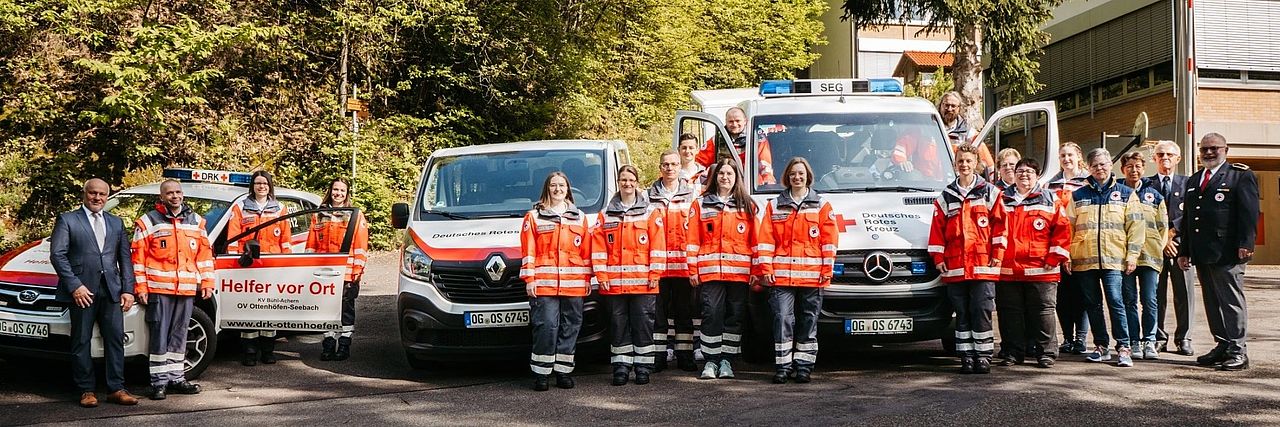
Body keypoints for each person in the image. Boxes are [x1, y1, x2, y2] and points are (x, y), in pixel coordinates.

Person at [49, 178, 140, 408]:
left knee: (115, 340)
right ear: (84, 193)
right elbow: (57, 255)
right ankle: (86, 390)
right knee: (81, 340)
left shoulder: (116, 222)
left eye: (102, 194)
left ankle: (116, 388)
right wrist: (74, 286)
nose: (97, 198)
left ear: (107, 196)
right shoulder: (67, 219)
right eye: (93, 193)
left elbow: (124, 259)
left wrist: (128, 289)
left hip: (111, 290)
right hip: (82, 291)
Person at [1178, 132, 1258, 371]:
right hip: (1203, 253)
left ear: (1226, 149)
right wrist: (1185, 250)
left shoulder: (1240, 176)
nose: (1209, 153)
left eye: (1214, 148)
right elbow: (1190, 220)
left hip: (1228, 252)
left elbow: (1249, 213)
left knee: (1231, 301)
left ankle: (1238, 350)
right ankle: (1222, 344)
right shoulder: (1194, 180)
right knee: (1212, 301)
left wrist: (1247, 244)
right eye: (1204, 149)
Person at [132, 179, 214, 400]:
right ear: (162, 197)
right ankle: (158, 383)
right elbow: (137, 259)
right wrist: (140, 287)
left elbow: (205, 257)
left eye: (178, 192)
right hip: (159, 290)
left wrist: (207, 282)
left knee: (180, 335)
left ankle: (176, 378)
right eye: (169, 193)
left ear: (182, 194)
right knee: (159, 335)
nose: (174, 196)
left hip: (186, 290)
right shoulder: (148, 222)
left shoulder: (196, 221)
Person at [758, 157, 838, 383]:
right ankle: (783, 366)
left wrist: (827, 270)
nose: (797, 177)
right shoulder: (774, 205)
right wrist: (766, 267)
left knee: (808, 321)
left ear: (808, 176)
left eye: (801, 173)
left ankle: (804, 366)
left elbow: (829, 242)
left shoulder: (822, 206)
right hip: (782, 277)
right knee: (782, 319)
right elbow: (766, 240)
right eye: (793, 173)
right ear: (787, 177)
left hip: (813, 277)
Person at [927, 145, 1004, 374]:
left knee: (981, 310)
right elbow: (937, 231)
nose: (964, 165)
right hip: (956, 266)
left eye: (969, 161)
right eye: (960, 161)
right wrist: (938, 258)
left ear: (976, 163)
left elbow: (1000, 226)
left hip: (983, 265)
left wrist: (997, 255)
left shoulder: (989, 192)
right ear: (955, 164)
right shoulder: (946, 196)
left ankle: (983, 356)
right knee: (961, 312)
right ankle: (966, 356)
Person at [1066, 148, 1144, 367]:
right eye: (1095, 165)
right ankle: (1101, 346)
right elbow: (1068, 227)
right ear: (1088, 168)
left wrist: (1132, 256)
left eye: (1103, 164)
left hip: (1114, 259)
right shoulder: (1078, 195)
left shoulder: (1126, 193)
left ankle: (1124, 347)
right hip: (1084, 259)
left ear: (1111, 165)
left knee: (1116, 302)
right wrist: (1068, 256)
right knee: (1092, 304)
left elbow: (1136, 227)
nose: (1100, 168)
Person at [591, 165, 665, 386]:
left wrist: (655, 273)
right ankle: (621, 367)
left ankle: (643, 367)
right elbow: (598, 248)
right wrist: (601, 276)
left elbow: (658, 247)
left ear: (637, 182)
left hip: (644, 284)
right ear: (618, 183)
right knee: (618, 325)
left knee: (643, 325)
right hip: (614, 285)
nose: (627, 183)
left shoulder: (651, 212)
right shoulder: (605, 215)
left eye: (631, 179)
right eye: (623, 179)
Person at [687, 158, 759, 380]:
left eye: (729, 173)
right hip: (710, 272)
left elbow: (757, 241)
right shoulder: (700, 204)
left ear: (736, 177)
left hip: (739, 273)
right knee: (711, 314)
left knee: (734, 316)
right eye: (721, 173)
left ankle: (727, 361)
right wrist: (693, 269)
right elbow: (692, 240)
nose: (725, 177)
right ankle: (710, 360)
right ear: (714, 177)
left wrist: (756, 270)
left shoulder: (748, 205)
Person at [995, 159, 1070, 368]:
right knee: (1010, 313)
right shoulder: (1001, 199)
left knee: (1043, 312)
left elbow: (1063, 231)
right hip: (1008, 269)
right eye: (1019, 171)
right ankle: (1012, 352)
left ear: (1037, 175)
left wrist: (1054, 258)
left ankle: (1046, 352)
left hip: (1042, 269)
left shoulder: (1049, 199)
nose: (1023, 175)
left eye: (1028, 171)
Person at [520, 172, 593, 391]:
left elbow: (586, 252)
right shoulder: (534, 217)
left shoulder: (579, 217)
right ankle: (542, 373)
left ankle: (563, 371)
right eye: (553, 185)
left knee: (571, 326)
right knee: (547, 327)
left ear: (568, 189)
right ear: (547, 189)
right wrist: (529, 279)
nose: (558, 189)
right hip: (544, 283)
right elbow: (528, 252)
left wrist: (588, 278)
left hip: (575, 283)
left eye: (562, 185)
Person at [226, 171, 292, 366]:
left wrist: (286, 266)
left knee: (269, 308)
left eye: (265, 183)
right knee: (249, 309)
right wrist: (234, 264)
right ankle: (249, 351)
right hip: (249, 267)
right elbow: (233, 239)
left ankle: (268, 350)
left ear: (270, 185)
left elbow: (286, 241)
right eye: (257, 183)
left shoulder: (280, 208)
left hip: (272, 267)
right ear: (252, 186)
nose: (261, 186)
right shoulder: (240, 207)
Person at [306, 178, 370, 361]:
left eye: (342, 190)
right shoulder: (318, 215)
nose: (338, 193)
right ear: (330, 190)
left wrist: (357, 272)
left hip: (347, 273)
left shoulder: (355, 215)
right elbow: (311, 245)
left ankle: (344, 345)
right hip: (323, 273)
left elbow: (361, 247)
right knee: (326, 311)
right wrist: (309, 270)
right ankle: (328, 345)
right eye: (335, 189)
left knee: (345, 311)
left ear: (347, 193)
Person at [1143, 140, 1196, 356]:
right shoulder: (1146, 185)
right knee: (1156, 295)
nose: (1165, 158)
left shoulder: (1189, 183)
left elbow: (1192, 214)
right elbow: (1144, 216)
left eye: (1170, 155)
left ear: (1178, 159)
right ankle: (1158, 337)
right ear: (1154, 158)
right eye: (1160, 154)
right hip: (1155, 248)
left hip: (1181, 248)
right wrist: (1162, 240)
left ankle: (1184, 338)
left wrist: (1172, 235)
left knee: (1184, 295)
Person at [649, 150, 700, 372]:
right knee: (658, 315)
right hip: (658, 269)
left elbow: (697, 232)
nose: (670, 168)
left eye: (674, 164)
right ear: (660, 168)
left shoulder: (692, 196)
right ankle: (659, 355)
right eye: (665, 164)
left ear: (680, 167)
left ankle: (685, 355)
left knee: (684, 313)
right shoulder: (647, 196)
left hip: (683, 267)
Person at [1120, 152, 1168, 360]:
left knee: (1150, 300)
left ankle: (1150, 340)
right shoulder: (1117, 193)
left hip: (1149, 256)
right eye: (1129, 166)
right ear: (1122, 169)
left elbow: (1163, 227)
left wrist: (1159, 247)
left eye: (1138, 166)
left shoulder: (1154, 195)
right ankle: (1134, 341)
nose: (1134, 170)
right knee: (1129, 300)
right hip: (1124, 257)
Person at [1049, 142, 1090, 355]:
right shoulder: (1051, 184)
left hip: (1082, 245)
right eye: (1063, 155)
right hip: (1059, 246)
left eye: (1070, 155)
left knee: (1082, 294)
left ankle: (1081, 338)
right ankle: (1067, 338)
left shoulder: (1087, 182)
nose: (1066, 159)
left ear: (1079, 156)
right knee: (1062, 296)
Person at [695, 107, 776, 186]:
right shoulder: (716, 140)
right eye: (731, 121)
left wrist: (767, 184)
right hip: (724, 186)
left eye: (737, 121)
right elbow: (699, 163)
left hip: (750, 186)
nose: (734, 124)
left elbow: (765, 165)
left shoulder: (757, 138)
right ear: (725, 122)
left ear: (745, 121)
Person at [938, 91, 994, 172]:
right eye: (946, 105)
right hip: (929, 181)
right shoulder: (929, 129)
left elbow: (988, 164)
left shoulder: (969, 133)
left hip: (958, 179)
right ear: (940, 106)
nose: (949, 109)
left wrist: (994, 180)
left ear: (959, 108)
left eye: (953, 106)